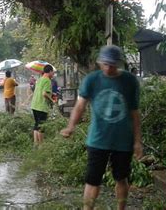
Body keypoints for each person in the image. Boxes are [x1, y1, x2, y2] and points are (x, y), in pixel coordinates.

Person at [60, 45, 143, 210]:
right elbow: (79, 106)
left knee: (121, 178)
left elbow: (135, 113)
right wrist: (70, 127)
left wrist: (137, 142)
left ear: (119, 63)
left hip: (123, 141)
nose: (109, 68)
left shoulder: (130, 81)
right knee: (92, 180)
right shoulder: (92, 80)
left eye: (113, 64)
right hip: (98, 140)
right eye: (105, 64)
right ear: (99, 62)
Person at [30, 65, 55, 145]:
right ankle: (41, 146)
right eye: (53, 72)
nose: (53, 74)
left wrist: (51, 93)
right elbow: (44, 94)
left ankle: (35, 144)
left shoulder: (39, 79)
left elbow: (41, 91)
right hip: (41, 106)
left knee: (37, 124)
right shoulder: (47, 80)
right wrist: (52, 100)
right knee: (42, 126)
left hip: (34, 105)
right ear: (50, 71)